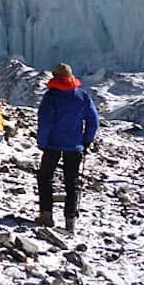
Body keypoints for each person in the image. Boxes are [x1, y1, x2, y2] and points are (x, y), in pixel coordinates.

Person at [36, 63, 99, 232]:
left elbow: (45, 122)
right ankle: (70, 221)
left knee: (45, 178)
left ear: (55, 77)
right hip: (75, 146)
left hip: (52, 145)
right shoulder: (82, 95)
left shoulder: (51, 97)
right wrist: (86, 141)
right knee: (72, 183)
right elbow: (93, 121)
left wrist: (42, 142)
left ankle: (46, 214)